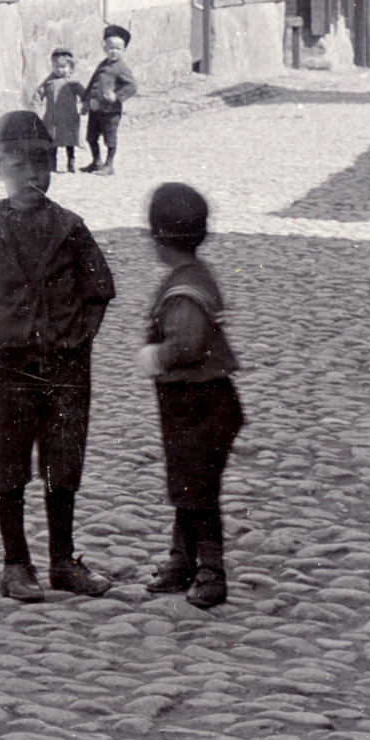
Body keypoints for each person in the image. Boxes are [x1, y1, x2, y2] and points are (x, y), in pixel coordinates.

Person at [0, 110, 117, 603]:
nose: (32, 176)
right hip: (7, 370)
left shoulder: (70, 227)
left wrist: (79, 339)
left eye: (42, 164)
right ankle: (16, 564)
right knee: (11, 465)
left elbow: (99, 289)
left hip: (66, 368)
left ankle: (63, 561)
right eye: (18, 166)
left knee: (64, 464)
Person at [137, 181, 242, 609]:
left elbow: (188, 344)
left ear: (159, 240)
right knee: (189, 484)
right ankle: (181, 560)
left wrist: (155, 356)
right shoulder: (195, 276)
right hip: (203, 403)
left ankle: (211, 573)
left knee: (197, 490)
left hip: (196, 404)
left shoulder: (182, 291)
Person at [83, 24, 137, 174]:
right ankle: (96, 162)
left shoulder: (122, 68)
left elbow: (132, 87)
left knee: (110, 139)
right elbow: (93, 82)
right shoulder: (103, 64)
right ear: (104, 47)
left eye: (118, 48)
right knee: (91, 137)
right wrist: (86, 102)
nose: (114, 51)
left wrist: (117, 96)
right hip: (95, 109)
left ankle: (109, 165)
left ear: (124, 49)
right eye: (111, 47)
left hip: (111, 111)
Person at [33, 49, 87, 172]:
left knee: (70, 142)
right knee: (51, 143)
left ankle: (71, 163)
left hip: (69, 119)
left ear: (70, 68)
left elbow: (85, 95)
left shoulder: (73, 83)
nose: (59, 69)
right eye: (56, 66)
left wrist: (86, 106)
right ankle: (52, 165)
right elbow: (37, 96)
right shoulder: (48, 83)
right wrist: (35, 111)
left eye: (63, 67)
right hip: (52, 119)